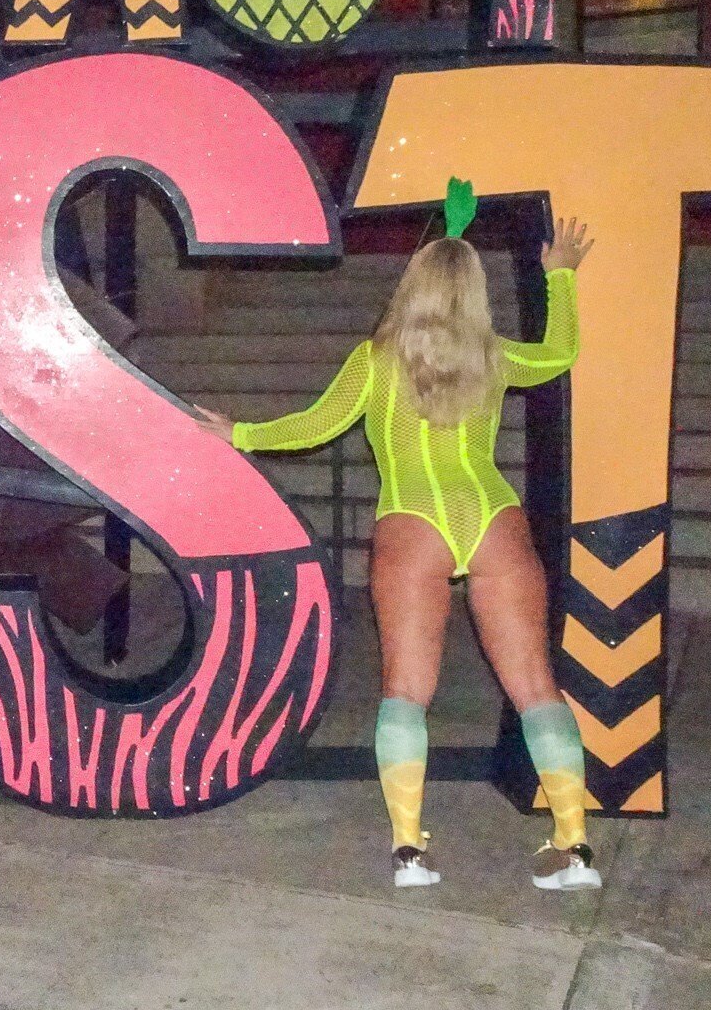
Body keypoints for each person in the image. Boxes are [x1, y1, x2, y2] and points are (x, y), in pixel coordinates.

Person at [194, 205, 598, 891]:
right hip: (493, 515)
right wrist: (560, 276)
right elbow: (561, 354)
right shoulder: (495, 356)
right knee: (536, 686)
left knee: (407, 689)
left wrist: (240, 434)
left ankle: (409, 850)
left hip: (412, 520)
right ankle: (575, 847)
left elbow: (314, 426)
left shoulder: (374, 362)